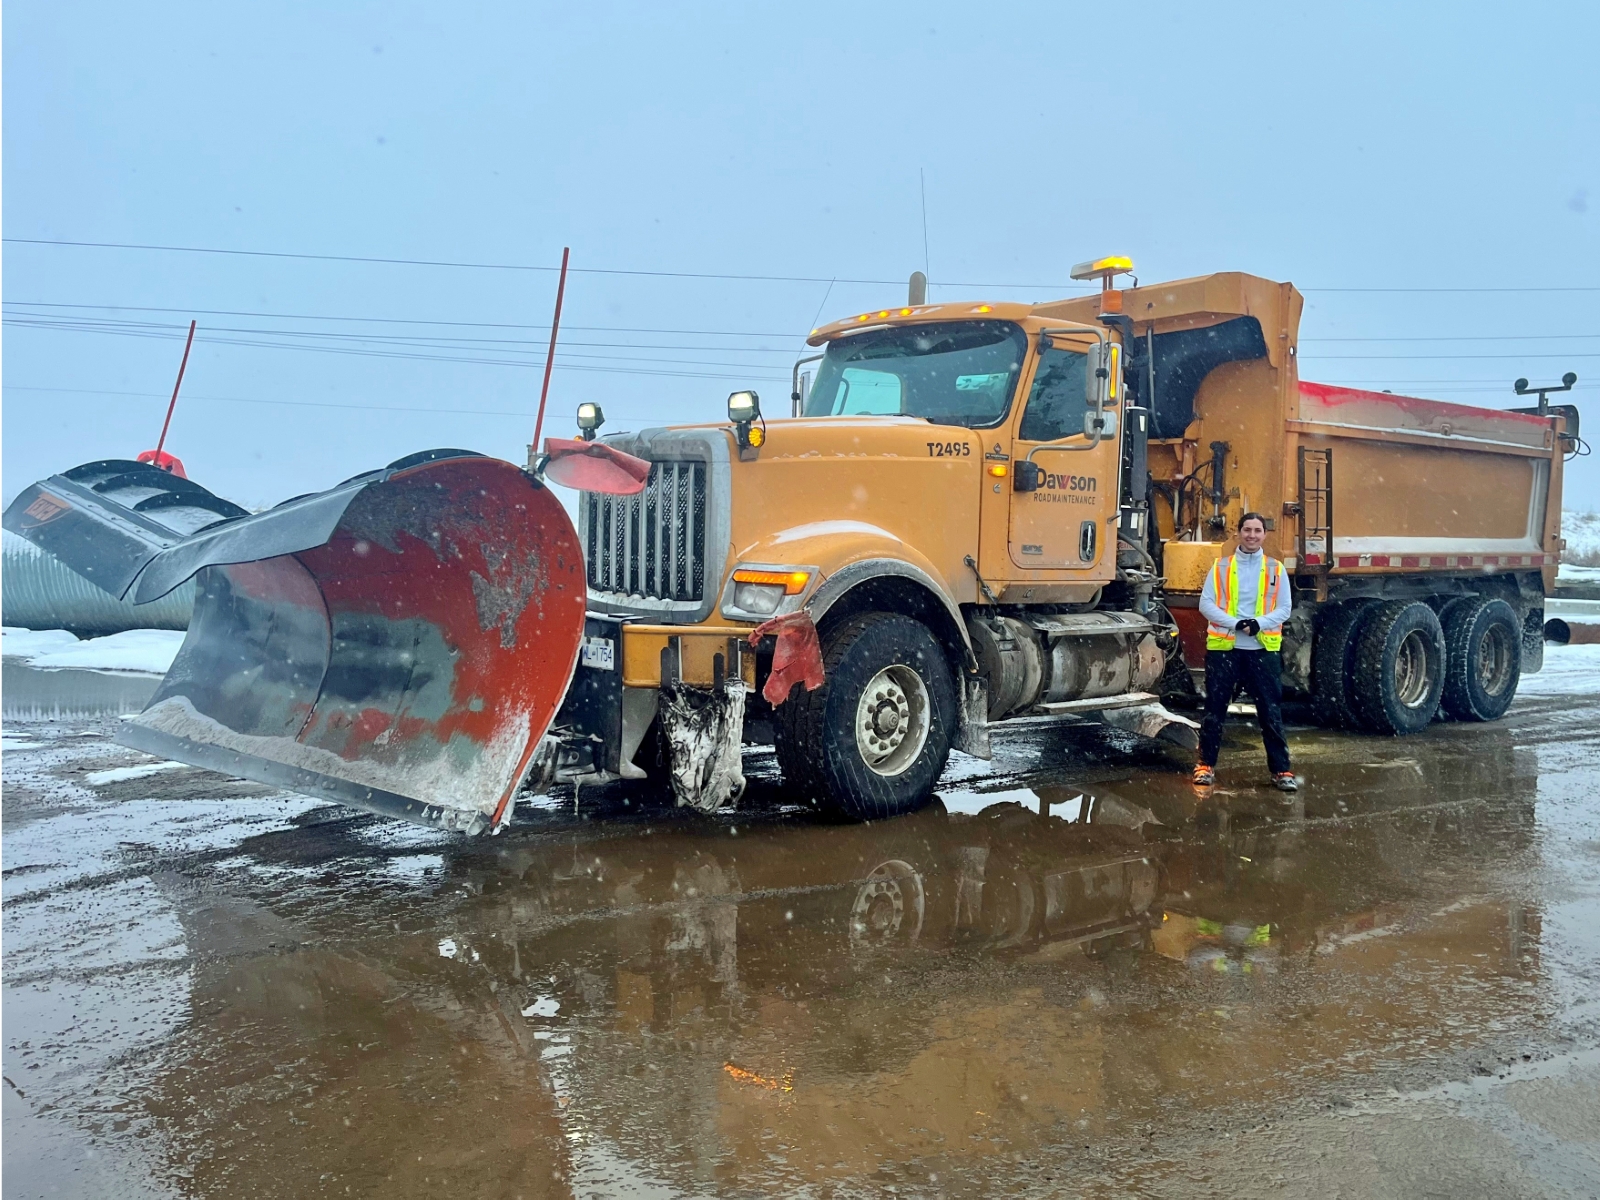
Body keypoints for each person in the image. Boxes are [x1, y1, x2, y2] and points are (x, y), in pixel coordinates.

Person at [1193, 512, 1297, 792]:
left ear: (1265, 535)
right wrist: (1238, 623)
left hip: (1262, 651)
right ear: (1238, 533)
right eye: (1247, 530)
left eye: (1257, 530)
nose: (1252, 535)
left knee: (1270, 712)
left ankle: (1281, 770)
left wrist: (1258, 624)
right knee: (1214, 710)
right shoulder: (1221, 567)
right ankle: (1205, 766)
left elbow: (1284, 608)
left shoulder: (1276, 569)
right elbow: (1206, 604)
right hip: (1225, 650)